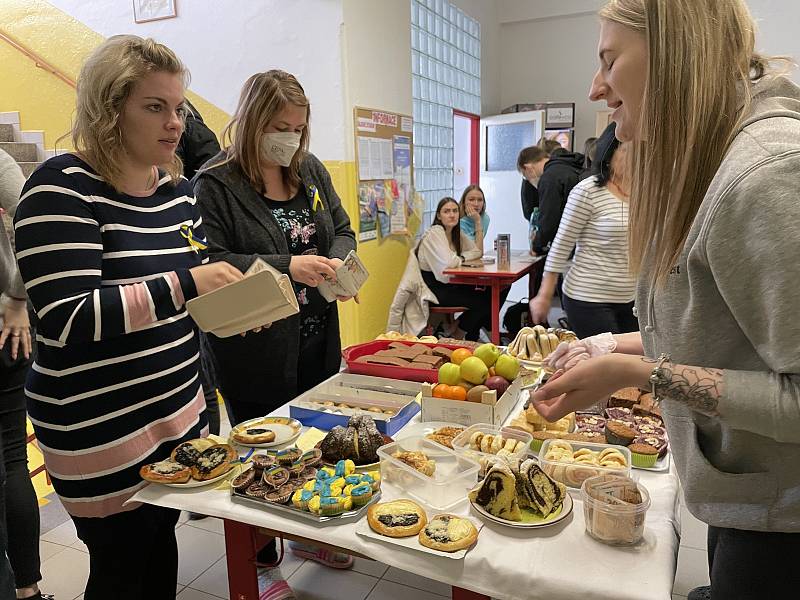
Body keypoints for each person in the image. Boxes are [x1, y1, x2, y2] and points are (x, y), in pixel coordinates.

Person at [531, 1, 800, 598]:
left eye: (609, 61)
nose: (595, 87)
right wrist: (614, 344)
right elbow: (716, 330)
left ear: (678, 52)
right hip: (747, 496)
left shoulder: (768, 175)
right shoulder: (714, 156)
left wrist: (642, 372)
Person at [13, 35, 244, 600]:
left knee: (159, 557)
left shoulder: (178, 195)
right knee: (120, 569)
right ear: (108, 110)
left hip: (178, 414)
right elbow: (67, 316)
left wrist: (237, 308)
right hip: (101, 432)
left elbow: (190, 292)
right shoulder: (59, 190)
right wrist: (188, 283)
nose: (175, 124)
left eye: (179, 107)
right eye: (154, 106)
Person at [193, 69, 358, 593]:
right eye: (280, 127)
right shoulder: (215, 183)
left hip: (314, 334)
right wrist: (288, 265)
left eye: (299, 128)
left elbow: (343, 227)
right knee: (261, 450)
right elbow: (208, 260)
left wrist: (335, 262)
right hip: (254, 345)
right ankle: (261, 560)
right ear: (251, 122)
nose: (290, 138)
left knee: (312, 442)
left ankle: (305, 527)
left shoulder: (307, 170)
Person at [529, 125, 637, 338]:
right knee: (608, 365)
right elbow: (561, 245)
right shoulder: (588, 191)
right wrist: (544, 294)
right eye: (623, 150)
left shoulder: (645, 193)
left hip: (631, 299)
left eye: (637, 151)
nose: (630, 158)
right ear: (609, 153)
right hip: (588, 297)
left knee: (631, 364)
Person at [0, 151, 51, 600]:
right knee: (13, 460)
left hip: (8, 325)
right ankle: (27, 588)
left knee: (12, 462)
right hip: (6, 325)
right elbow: (33, 219)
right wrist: (16, 297)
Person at [416, 197, 493, 341]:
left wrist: (461, 258)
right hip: (433, 290)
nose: (452, 215)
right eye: (447, 211)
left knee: (490, 294)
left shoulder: (455, 233)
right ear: (439, 215)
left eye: (455, 211)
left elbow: (476, 252)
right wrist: (461, 258)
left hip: (449, 286)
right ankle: (460, 332)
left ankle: (458, 328)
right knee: (483, 302)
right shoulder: (435, 233)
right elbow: (448, 264)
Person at [530, 141, 585, 256]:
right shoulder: (577, 166)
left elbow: (549, 219)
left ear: (528, 168)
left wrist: (537, 245)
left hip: (567, 247)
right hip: (582, 243)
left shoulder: (550, 177)